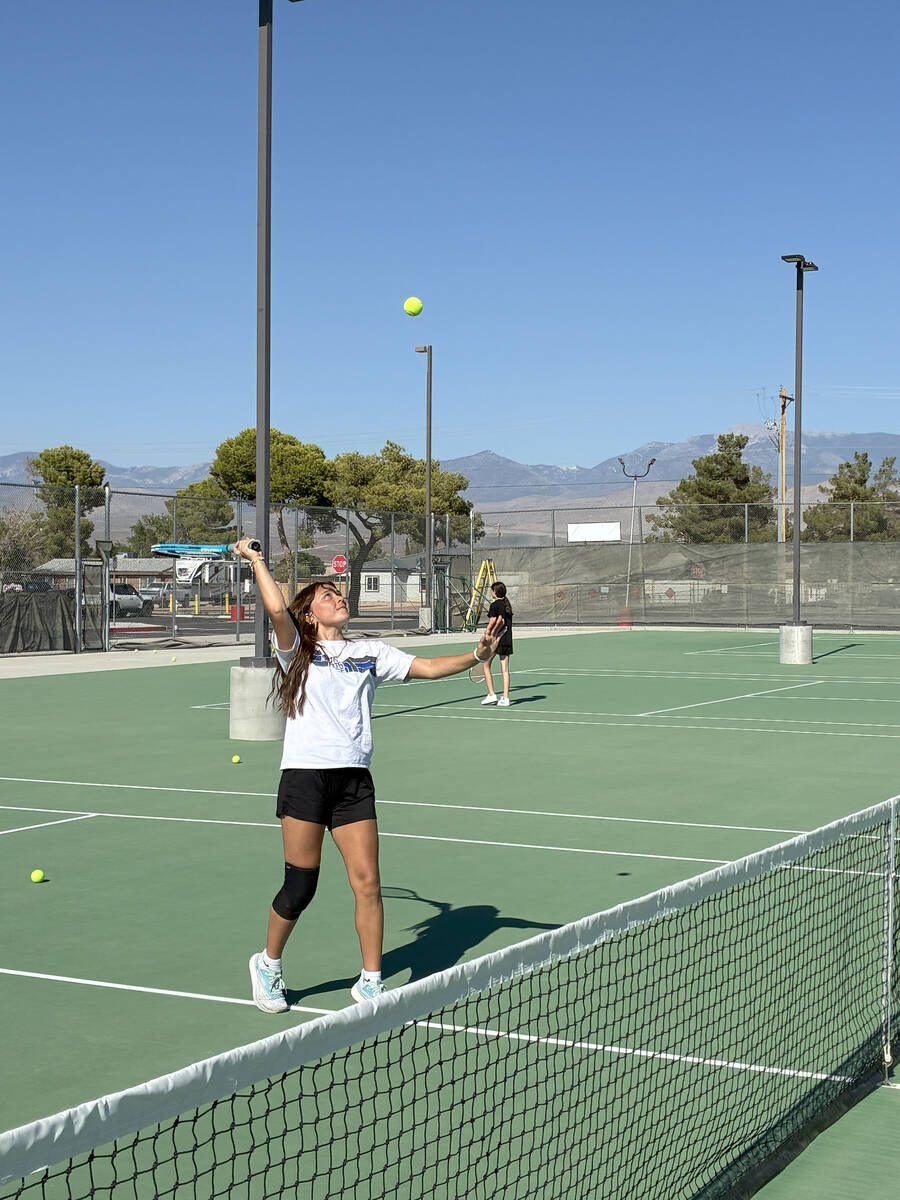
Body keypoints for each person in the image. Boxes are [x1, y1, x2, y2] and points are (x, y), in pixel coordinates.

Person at [233, 538, 506, 1014]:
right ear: (312, 615)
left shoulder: (371, 652)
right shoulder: (296, 649)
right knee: (301, 885)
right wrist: (257, 560)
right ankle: (268, 964)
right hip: (305, 777)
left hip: (354, 780)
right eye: (327, 595)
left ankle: (371, 982)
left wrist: (476, 656)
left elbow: (427, 666)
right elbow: (277, 609)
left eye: (340, 593)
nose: (339, 597)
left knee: (368, 883)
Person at [481, 581, 513, 707]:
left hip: (496, 640)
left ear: (495, 592)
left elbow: (493, 621)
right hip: (507, 640)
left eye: (492, 590)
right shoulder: (507, 605)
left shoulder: (494, 605)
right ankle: (505, 698)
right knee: (505, 670)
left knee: (485, 665)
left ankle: (491, 694)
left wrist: (487, 633)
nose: (491, 592)